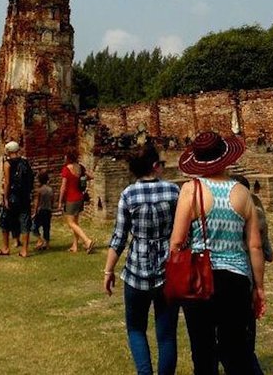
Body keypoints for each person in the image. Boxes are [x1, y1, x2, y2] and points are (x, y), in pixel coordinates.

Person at [169, 131, 266, 375]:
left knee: (202, 351)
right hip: (236, 279)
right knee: (235, 350)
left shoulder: (192, 191)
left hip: (199, 278)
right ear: (225, 157)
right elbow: (255, 246)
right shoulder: (243, 194)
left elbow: (177, 241)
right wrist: (259, 287)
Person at [104, 143, 180, 375]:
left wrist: (108, 271)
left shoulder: (128, 195)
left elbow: (119, 237)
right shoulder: (173, 191)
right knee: (166, 334)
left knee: (136, 328)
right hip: (168, 271)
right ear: (156, 166)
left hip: (137, 271)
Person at [231, 174, 273, 375]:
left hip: (237, 272)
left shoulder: (237, 213)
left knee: (232, 335)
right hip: (249, 277)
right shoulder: (258, 212)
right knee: (247, 329)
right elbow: (266, 251)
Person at [0, 141, 34, 258]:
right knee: (24, 221)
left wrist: (6, 198)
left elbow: (7, 182)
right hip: (24, 196)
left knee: (5, 221)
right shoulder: (25, 162)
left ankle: (5, 248)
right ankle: (24, 250)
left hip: (13, 197)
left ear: (8, 151)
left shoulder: (7, 164)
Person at [58, 151, 95, 253]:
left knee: (71, 223)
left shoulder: (66, 169)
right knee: (76, 222)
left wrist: (60, 201)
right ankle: (75, 245)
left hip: (71, 199)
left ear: (68, 158)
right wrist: (81, 180)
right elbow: (91, 176)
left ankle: (87, 241)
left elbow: (63, 187)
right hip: (80, 197)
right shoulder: (80, 167)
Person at [32, 172, 53, 251]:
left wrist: (34, 212)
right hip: (48, 210)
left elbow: (37, 202)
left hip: (41, 210)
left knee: (34, 227)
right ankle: (47, 244)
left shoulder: (39, 190)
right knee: (46, 228)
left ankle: (39, 239)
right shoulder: (50, 189)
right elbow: (52, 200)